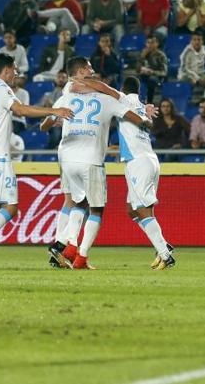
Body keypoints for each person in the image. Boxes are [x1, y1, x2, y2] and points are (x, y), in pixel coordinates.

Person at [0, 53, 73, 270]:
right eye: (15, 70)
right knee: (11, 208)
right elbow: (21, 110)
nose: (17, 74)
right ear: (7, 69)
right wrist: (53, 110)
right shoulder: (2, 88)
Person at [40, 56, 150, 270]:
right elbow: (135, 118)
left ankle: (64, 244)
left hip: (67, 157)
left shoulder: (67, 95)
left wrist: (57, 116)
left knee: (76, 202)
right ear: (83, 72)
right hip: (90, 159)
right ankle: (76, 253)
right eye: (90, 69)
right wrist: (146, 119)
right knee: (96, 209)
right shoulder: (107, 99)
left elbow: (44, 127)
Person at [115, 76, 175, 270]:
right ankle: (162, 245)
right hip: (147, 159)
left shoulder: (122, 100)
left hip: (138, 161)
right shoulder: (142, 106)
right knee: (133, 210)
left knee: (142, 210)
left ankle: (165, 254)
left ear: (123, 89)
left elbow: (103, 89)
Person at [137, 34, 168, 104]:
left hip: (157, 77)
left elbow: (164, 72)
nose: (150, 45)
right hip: (144, 76)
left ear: (157, 44)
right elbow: (137, 70)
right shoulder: (143, 54)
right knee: (133, 80)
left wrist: (152, 72)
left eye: (152, 42)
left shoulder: (161, 55)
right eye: (148, 42)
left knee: (151, 80)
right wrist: (142, 57)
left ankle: (149, 102)